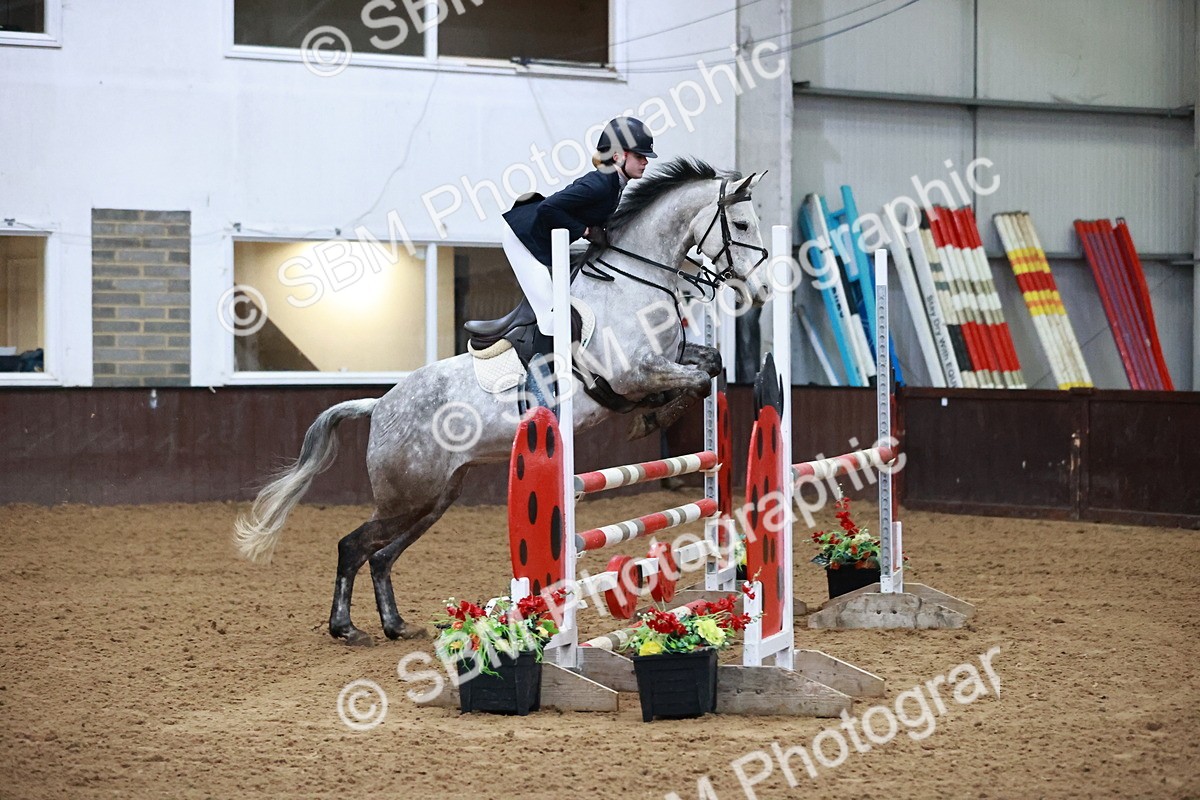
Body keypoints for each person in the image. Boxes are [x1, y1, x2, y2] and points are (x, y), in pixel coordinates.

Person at [465, 116, 657, 339]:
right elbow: (548, 208)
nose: (645, 162)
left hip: (541, 240)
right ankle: (535, 373)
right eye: (639, 156)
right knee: (550, 322)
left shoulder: (614, 185)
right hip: (523, 239)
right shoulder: (600, 184)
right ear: (617, 156)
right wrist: (585, 231)